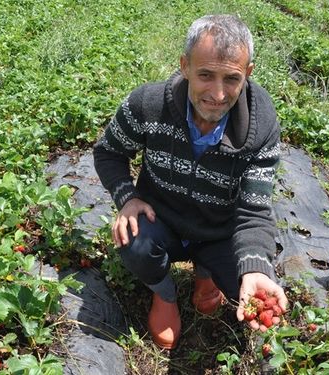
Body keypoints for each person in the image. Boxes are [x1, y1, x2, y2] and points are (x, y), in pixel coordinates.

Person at [93, 14, 288, 349]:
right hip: (163, 219)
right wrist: (127, 197)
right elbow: (108, 151)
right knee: (134, 241)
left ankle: (205, 274)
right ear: (184, 66)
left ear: (248, 74)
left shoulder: (261, 129)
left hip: (218, 233)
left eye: (232, 78)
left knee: (246, 281)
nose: (218, 93)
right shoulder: (148, 106)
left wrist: (255, 266)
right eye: (205, 75)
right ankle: (164, 296)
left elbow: (254, 212)